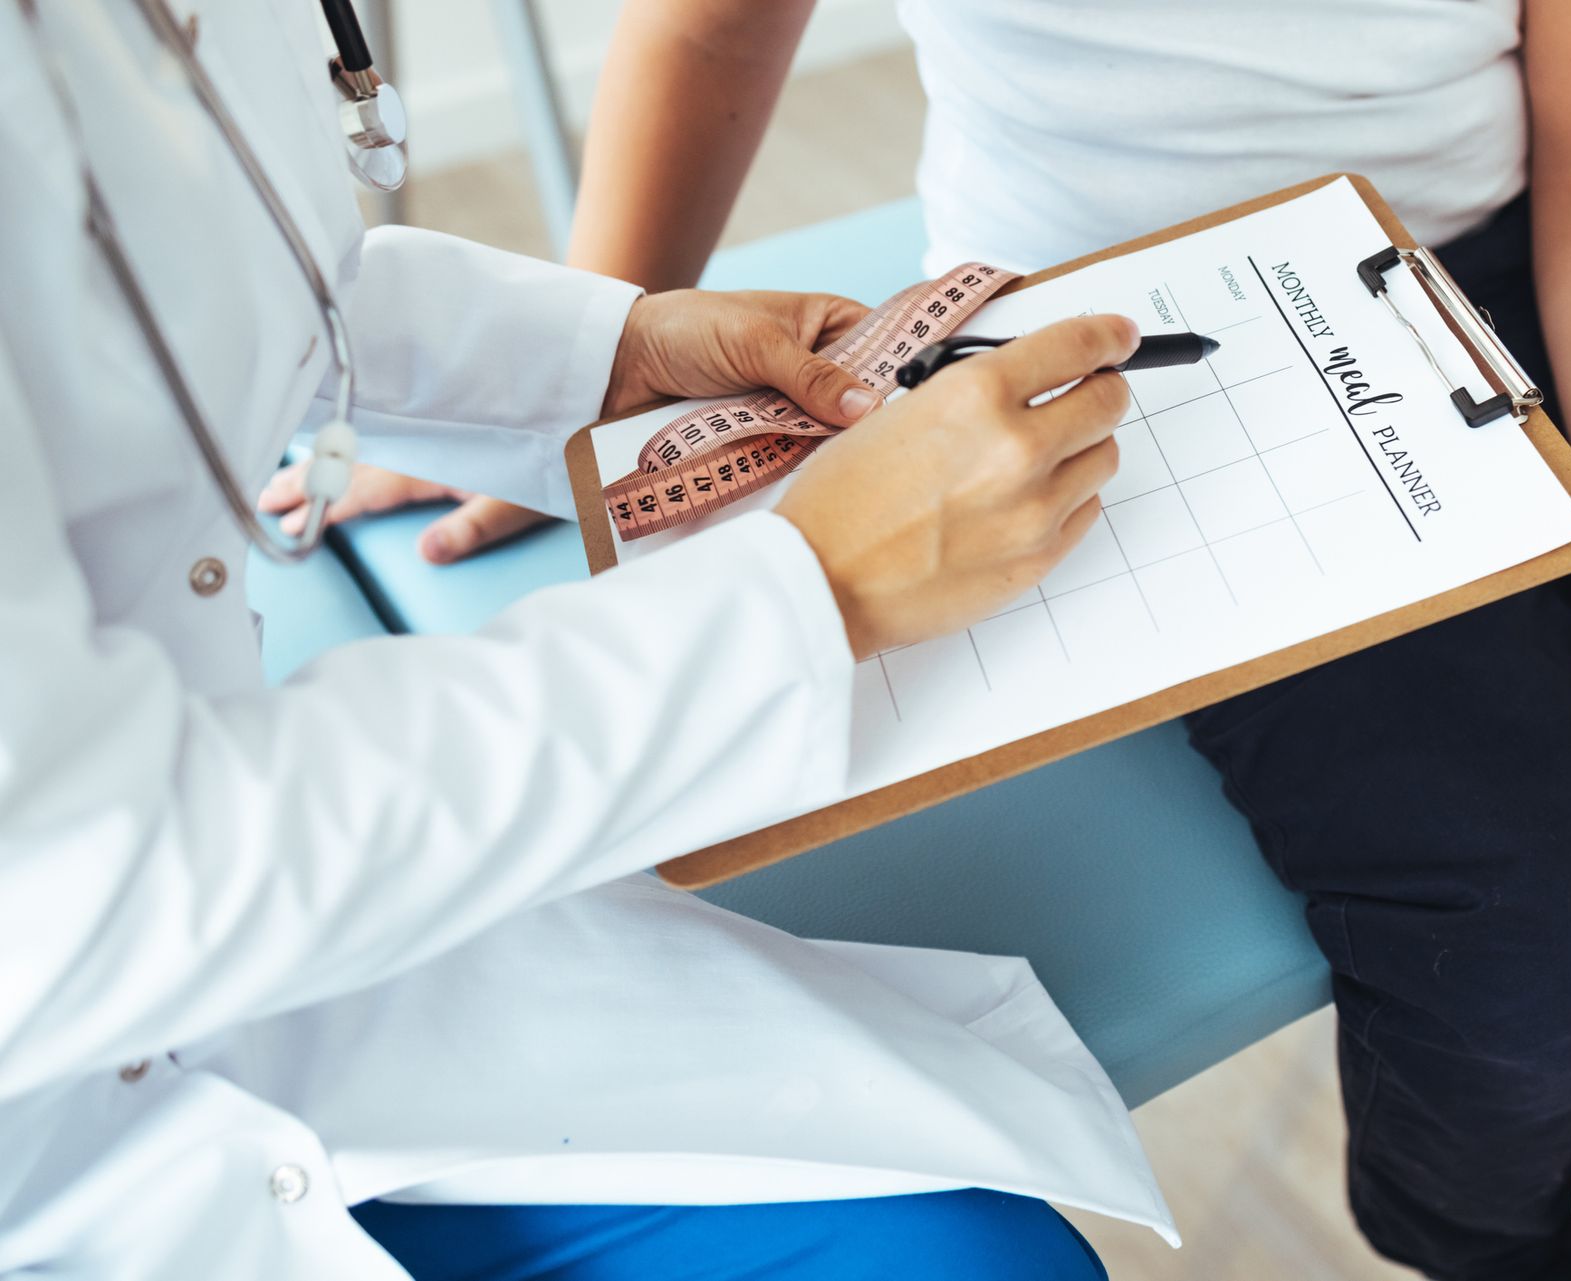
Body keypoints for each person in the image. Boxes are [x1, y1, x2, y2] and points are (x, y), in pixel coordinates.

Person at [536, 2, 1571, 1279]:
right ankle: (1487, 1256)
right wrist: (566, 369)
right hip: (1139, 325)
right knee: (1537, 950)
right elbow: (711, 34)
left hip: (1524, 234)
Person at [0, 2, 1175, 1277]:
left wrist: (603, 360)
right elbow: (88, 879)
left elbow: (177, 268)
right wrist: (805, 592)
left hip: (268, 997)